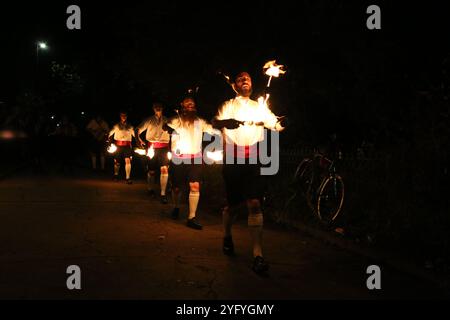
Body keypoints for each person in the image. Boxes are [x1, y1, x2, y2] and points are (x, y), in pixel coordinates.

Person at [212, 71, 285, 274]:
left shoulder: (260, 107)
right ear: (235, 85)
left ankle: (258, 255)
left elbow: (275, 124)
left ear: (251, 84)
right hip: (233, 160)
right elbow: (215, 122)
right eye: (240, 78)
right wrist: (226, 123)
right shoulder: (227, 105)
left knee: (254, 203)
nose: (245, 80)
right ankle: (227, 235)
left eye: (248, 78)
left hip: (254, 160)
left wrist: (281, 123)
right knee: (233, 207)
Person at [164, 94, 220, 230]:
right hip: (178, 158)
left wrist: (222, 130)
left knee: (195, 186)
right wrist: (169, 129)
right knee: (177, 188)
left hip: (195, 158)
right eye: (187, 103)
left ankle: (191, 217)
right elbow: (165, 126)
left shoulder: (200, 122)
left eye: (192, 104)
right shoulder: (176, 120)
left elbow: (213, 130)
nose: (190, 105)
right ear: (182, 105)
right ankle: (176, 207)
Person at [136, 102, 170, 203]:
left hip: (164, 147)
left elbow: (176, 132)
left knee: (164, 169)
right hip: (152, 147)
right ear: (153, 108)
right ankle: (150, 189)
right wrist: (138, 140)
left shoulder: (167, 120)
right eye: (156, 107)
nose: (157, 108)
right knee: (152, 171)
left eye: (159, 107)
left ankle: (163, 194)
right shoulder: (149, 120)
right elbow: (137, 129)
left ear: (162, 108)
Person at [107, 111, 136, 184]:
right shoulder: (116, 126)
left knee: (128, 161)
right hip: (118, 146)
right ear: (120, 116)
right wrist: (109, 142)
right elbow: (110, 134)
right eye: (122, 115)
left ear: (127, 116)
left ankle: (128, 178)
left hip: (127, 146)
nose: (124, 117)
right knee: (117, 161)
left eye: (125, 115)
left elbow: (135, 135)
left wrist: (140, 142)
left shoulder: (130, 126)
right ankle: (116, 175)